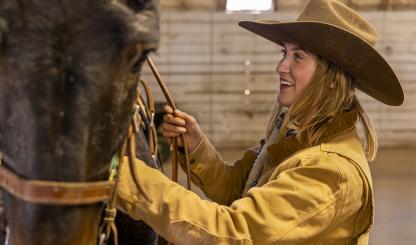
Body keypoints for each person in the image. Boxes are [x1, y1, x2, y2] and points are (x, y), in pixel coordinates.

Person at [115, 0, 404, 244]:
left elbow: (234, 233)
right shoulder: (295, 134)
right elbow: (238, 188)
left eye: (298, 57)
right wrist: (196, 147)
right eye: (284, 53)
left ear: (330, 78)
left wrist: (125, 178)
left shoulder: (330, 172)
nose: (281, 66)